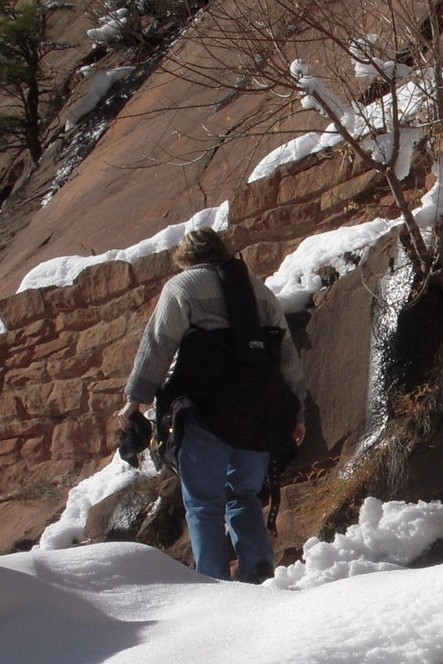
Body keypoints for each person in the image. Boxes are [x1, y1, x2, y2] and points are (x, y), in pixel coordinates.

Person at [112, 228, 308, 582]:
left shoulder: (183, 286)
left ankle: (212, 586)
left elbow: (158, 344)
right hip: (259, 415)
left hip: (204, 413)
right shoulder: (259, 291)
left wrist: (135, 400)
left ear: (186, 259)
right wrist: (297, 413)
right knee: (245, 496)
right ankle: (258, 571)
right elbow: (287, 356)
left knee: (204, 505)